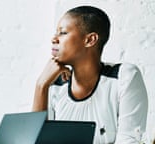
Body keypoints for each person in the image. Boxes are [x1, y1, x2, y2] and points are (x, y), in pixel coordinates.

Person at [32, 6, 148, 143]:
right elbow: (36, 140)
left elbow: (129, 140)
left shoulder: (124, 77)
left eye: (62, 33)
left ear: (90, 40)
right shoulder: (55, 84)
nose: (54, 39)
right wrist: (41, 85)